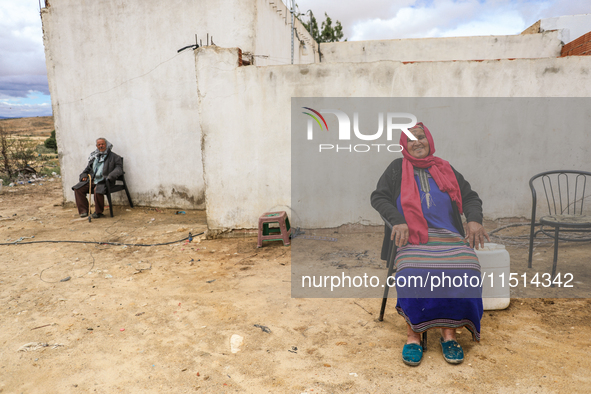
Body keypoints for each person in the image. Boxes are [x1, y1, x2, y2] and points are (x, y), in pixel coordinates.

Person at [370, 123, 490, 367]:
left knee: (467, 267)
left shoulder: (444, 167)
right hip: (411, 237)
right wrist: (398, 221)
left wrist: (474, 220)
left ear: (429, 140)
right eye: (411, 139)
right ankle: (413, 334)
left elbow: (469, 196)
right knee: (413, 271)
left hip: (447, 234)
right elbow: (378, 197)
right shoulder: (396, 168)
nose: (417, 143)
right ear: (405, 145)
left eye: (421, 137)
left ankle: (449, 332)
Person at [72, 138, 123, 218]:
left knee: (97, 190)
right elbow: (87, 170)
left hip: (104, 181)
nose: (101, 146)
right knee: (78, 189)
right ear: (96, 146)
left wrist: (110, 176)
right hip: (92, 180)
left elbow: (119, 169)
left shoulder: (114, 157)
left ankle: (98, 212)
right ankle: (84, 211)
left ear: (106, 145)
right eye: (99, 145)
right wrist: (84, 176)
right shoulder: (94, 157)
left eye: (102, 144)